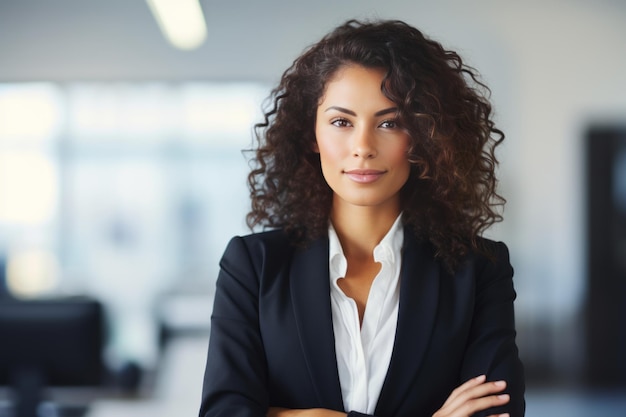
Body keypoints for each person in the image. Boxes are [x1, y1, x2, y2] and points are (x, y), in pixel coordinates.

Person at [199, 19, 525, 417]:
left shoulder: (479, 272)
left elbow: (497, 413)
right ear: (311, 135)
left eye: (390, 122)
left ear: (424, 136)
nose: (363, 147)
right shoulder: (253, 266)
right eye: (341, 122)